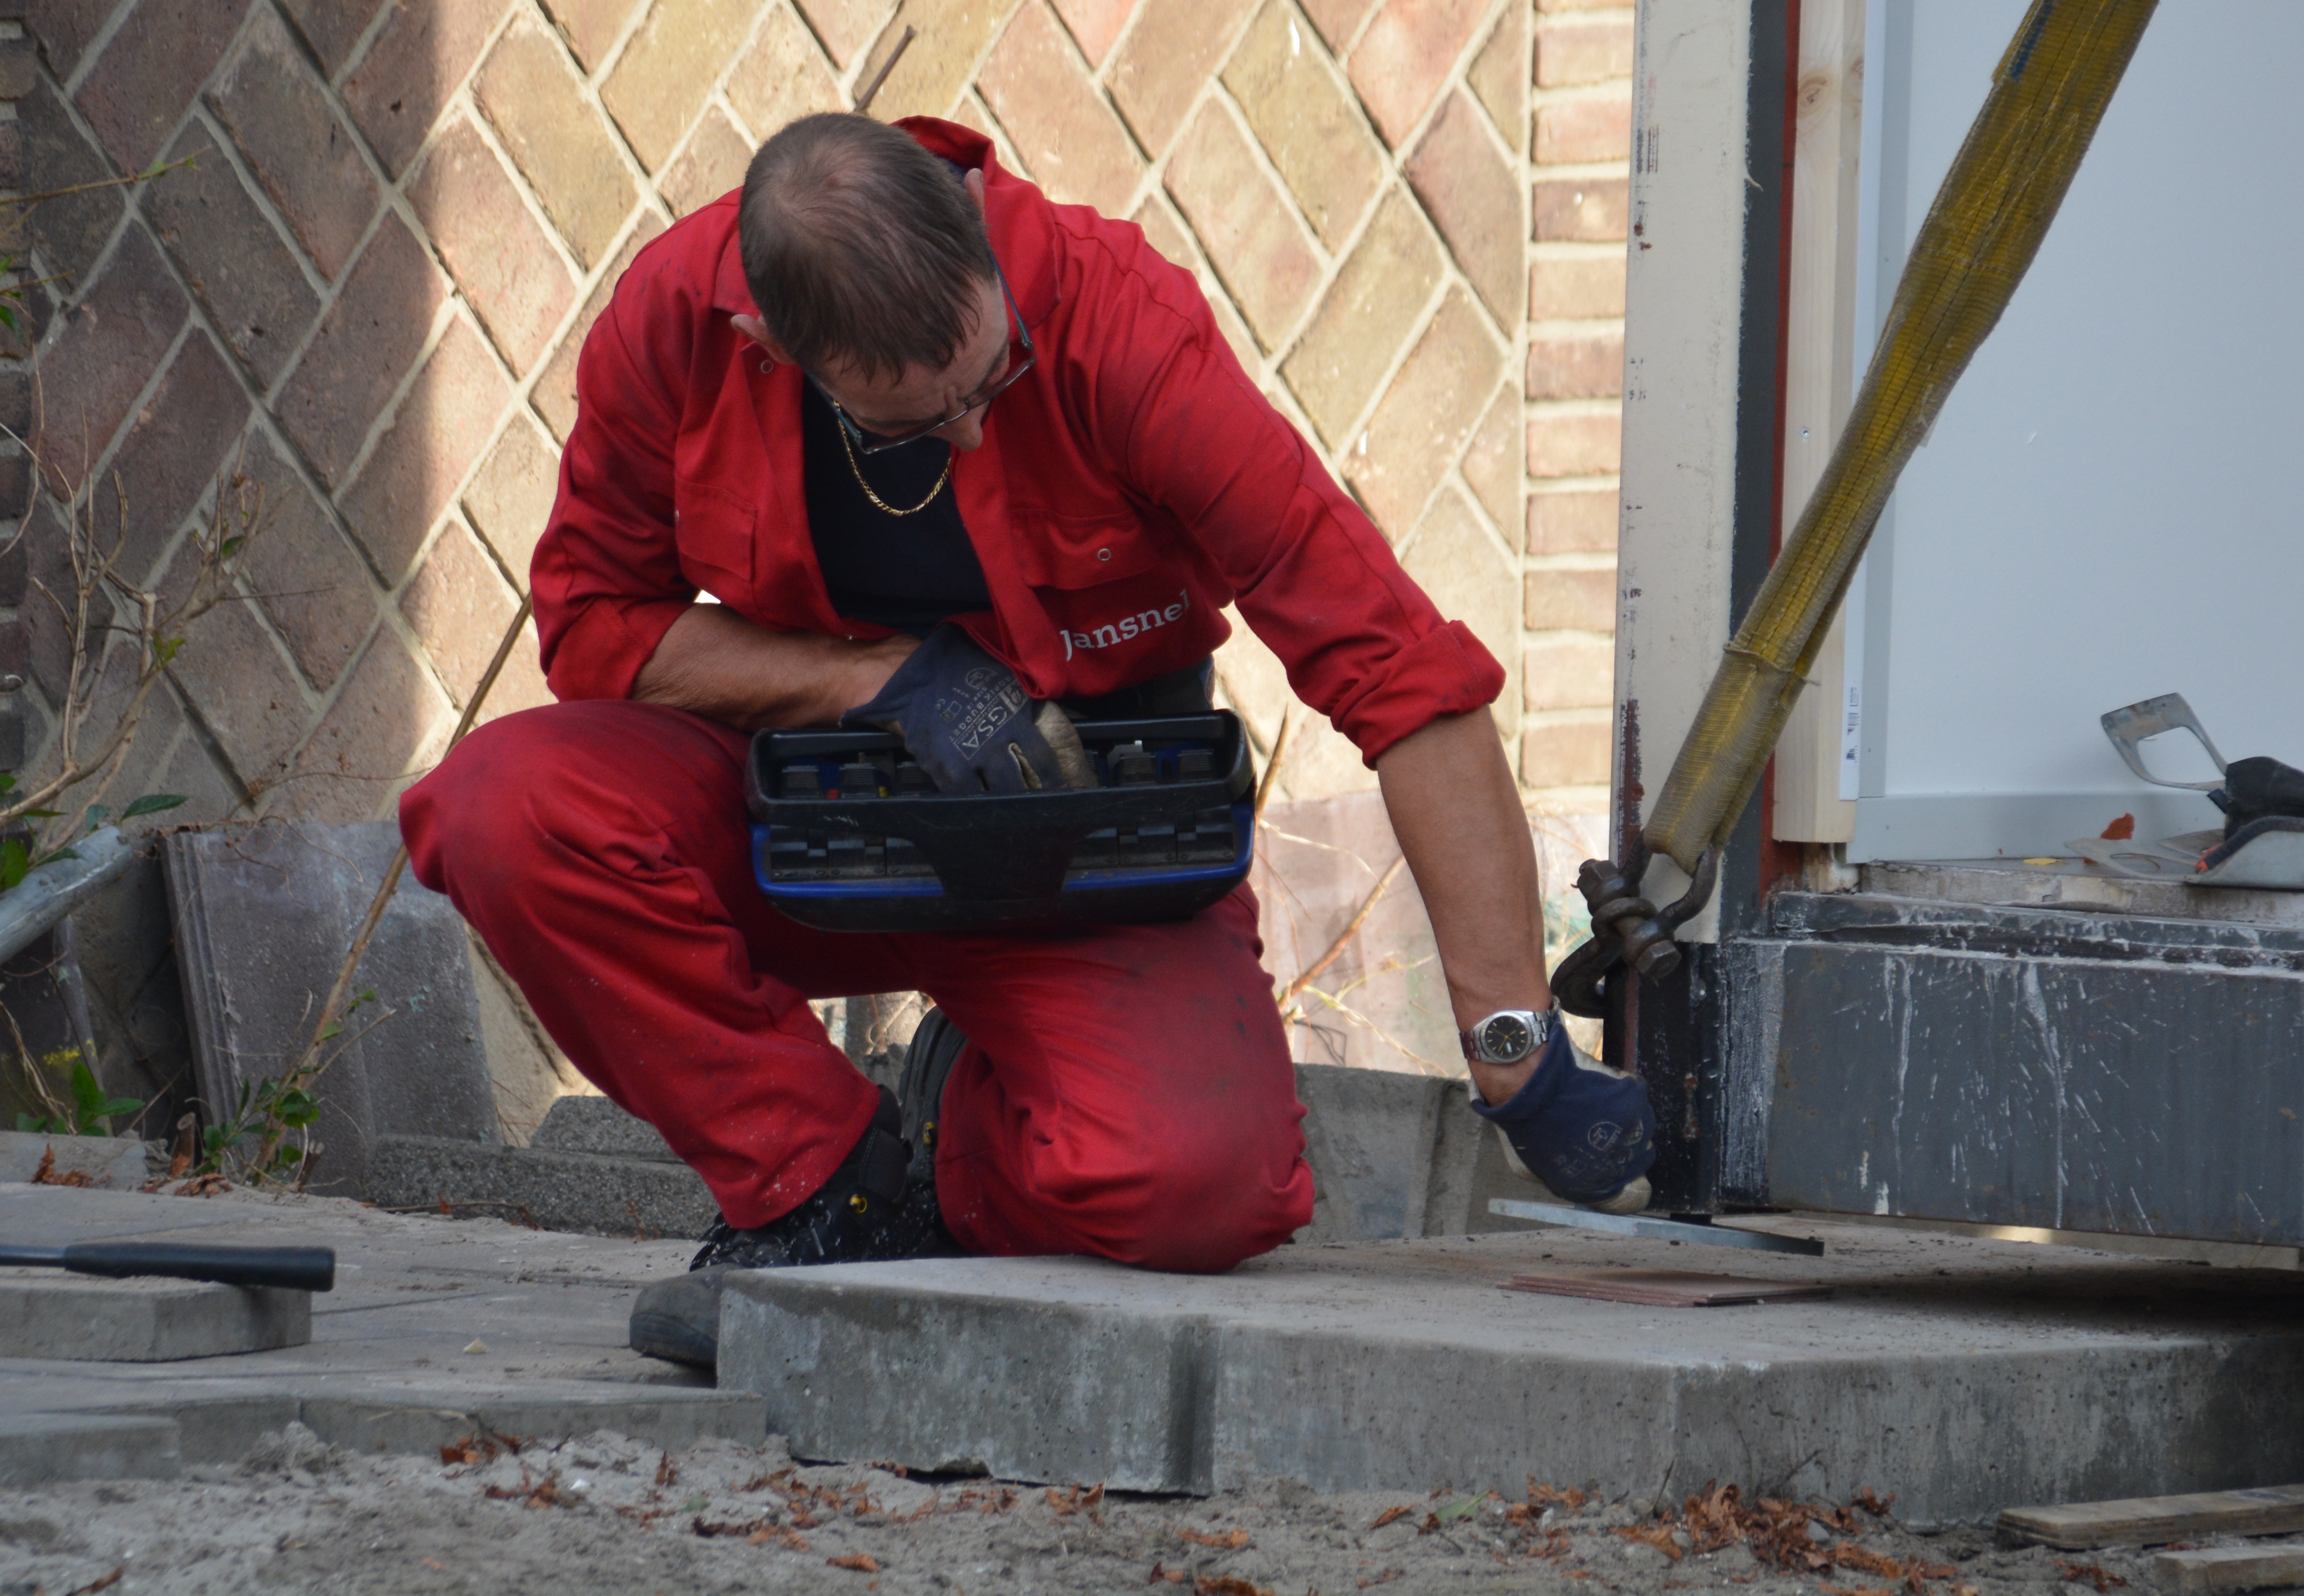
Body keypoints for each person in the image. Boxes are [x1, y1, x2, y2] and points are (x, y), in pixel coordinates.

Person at [401, 113, 1650, 1366]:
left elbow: (1397, 667)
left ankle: (946, 1138)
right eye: (912, 421)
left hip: (1085, 840)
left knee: (1200, 1189)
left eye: (989, 380)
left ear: (977, 234)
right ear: (772, 345)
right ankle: (825, 1193)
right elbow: (595, 628)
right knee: (501, 806)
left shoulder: (1119, 323)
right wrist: (883, 679)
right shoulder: (675, 325)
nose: (973, 436)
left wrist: (1515, 1046)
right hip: (807, 822)